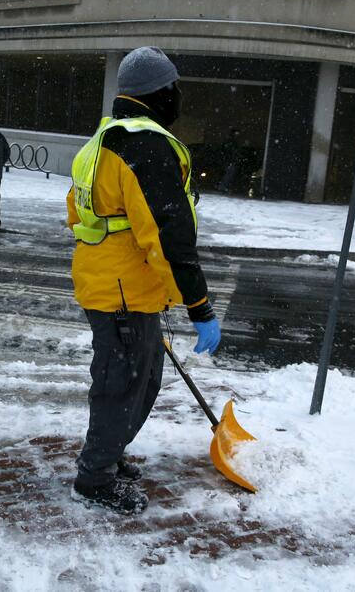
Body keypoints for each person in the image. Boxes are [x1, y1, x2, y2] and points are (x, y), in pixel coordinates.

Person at [66, 46, 222, 515]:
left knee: (144, 378)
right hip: (122, 291)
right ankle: (94, 477)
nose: (178, 96)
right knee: (121, 383)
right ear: (161, 92)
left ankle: (108, 453)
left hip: (117, 283)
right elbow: (168, 233)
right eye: (174, 88)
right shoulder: (144, 145)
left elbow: (76, 211)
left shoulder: (104, 139)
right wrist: (198, 305)